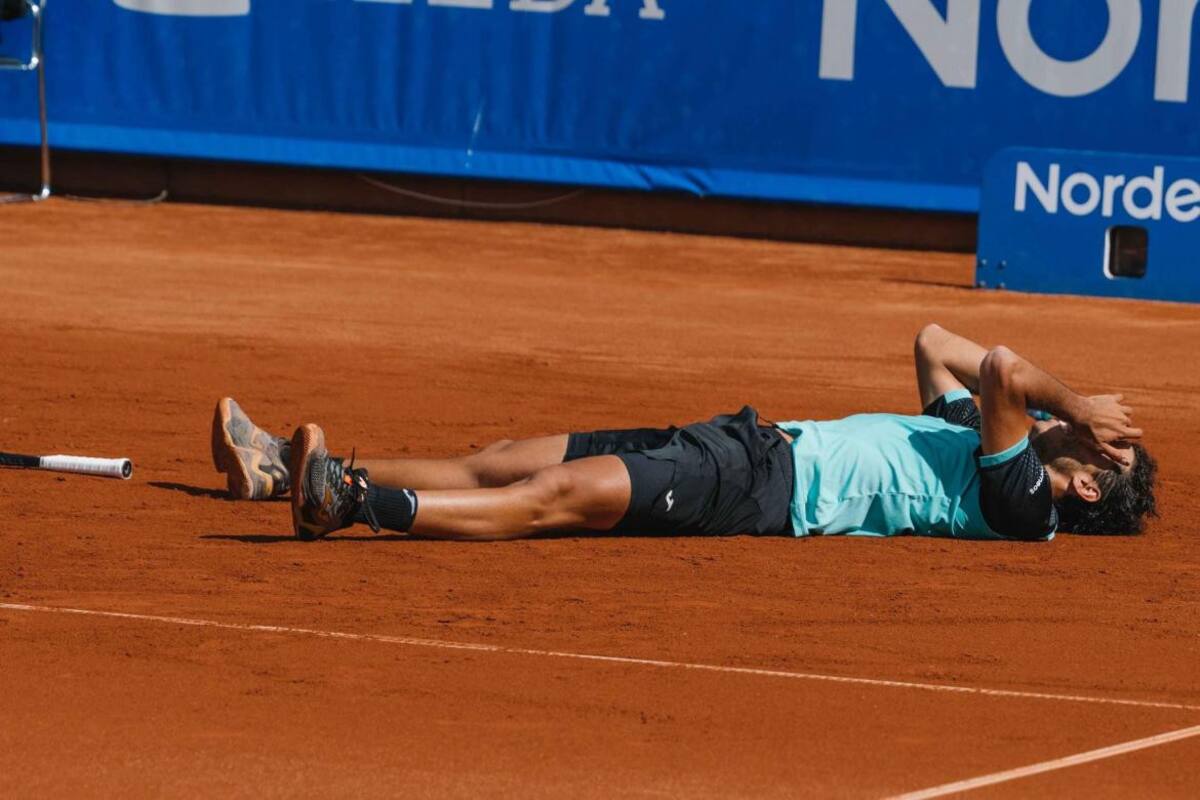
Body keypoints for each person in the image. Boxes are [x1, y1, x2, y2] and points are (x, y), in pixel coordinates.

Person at [212, 324, 1157, 541]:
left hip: (764, 488)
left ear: (1082, 485)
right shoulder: (981, 441)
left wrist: (1076, 411)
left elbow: (997, 368)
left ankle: (350, 503)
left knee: (558, 502)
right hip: (747, 438)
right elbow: (935, 344)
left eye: (1101, 451)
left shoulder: (1026, 502)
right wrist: (1068, 415)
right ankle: (284, 475)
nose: (1090, 433)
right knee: (502, 458)